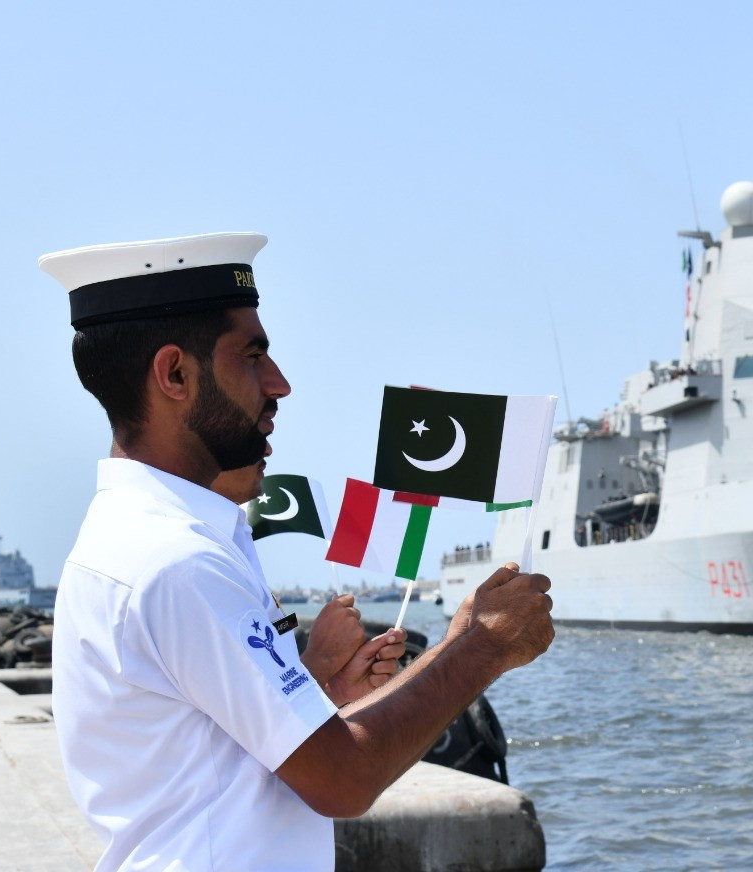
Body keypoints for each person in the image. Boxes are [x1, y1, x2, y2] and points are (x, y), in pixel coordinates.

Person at [43, 232, 555, 871]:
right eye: (252, 355)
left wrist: (315, 686)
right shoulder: (176, 561)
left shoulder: (147, 537)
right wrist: (480, 646)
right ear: (174, 374)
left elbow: (202, 750)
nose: (279, 384)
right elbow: (342, 780)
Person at [212, 449, 406, 706]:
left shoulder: (232, 552)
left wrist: (335, 690)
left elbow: (271, 629)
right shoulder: (196, 562)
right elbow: (251, 714)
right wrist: (321, 657)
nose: (266, 449)